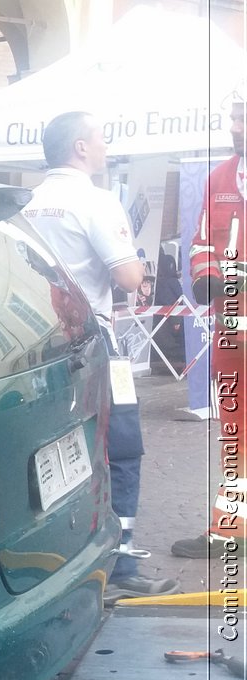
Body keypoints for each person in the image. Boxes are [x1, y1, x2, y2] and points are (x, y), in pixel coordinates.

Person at [21, 111, 178, 601]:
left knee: (57, 452)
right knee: (123, 449)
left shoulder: (25, 202)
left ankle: (64, 558)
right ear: (81, 149)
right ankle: (122, 561)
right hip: (94, 343)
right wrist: (142, 276)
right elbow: (129, 278)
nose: (106, 147)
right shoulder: (95, 201)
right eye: (101, 138)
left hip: (34, 345)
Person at [173, 90, 246, 559]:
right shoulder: (220, 177)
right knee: (236, 432)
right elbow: (202, 240)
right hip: (233, 330)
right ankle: (231, 528)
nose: (235, 125)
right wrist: (206, 276)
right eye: (234, 116)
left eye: (243, 116)